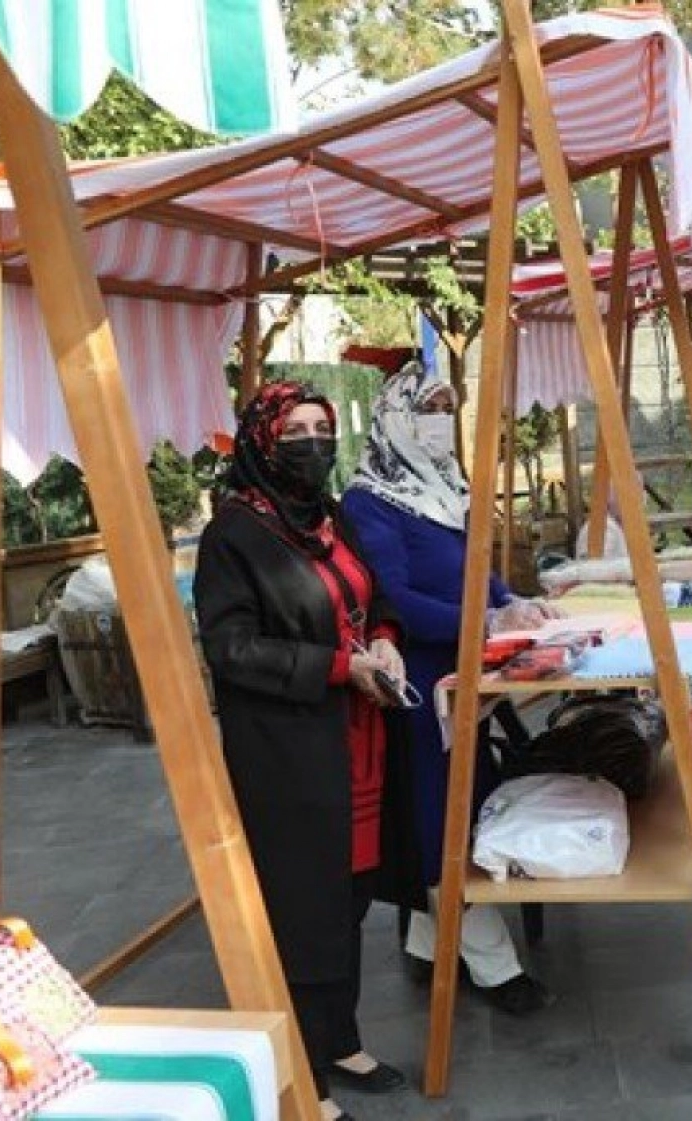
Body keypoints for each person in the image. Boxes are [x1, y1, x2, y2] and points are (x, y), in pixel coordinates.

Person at [196, 382, 409, 1121]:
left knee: (348, 897)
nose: (314, 442)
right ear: (262, 438)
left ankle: (340, 1037)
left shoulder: (330, 515)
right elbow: (229, 648)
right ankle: (303, 1075)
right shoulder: (233, 532)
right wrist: (337, 667)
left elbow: (369, 595)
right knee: (301, 911)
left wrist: (383, 638)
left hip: (357, 741)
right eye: (297, 430)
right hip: (289, 753)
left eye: (324, 427)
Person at [340, 362, 555, 1017]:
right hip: (417, 680)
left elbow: (475, 568)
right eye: (428, 406)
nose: (440, 418)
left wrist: (510, 602)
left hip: (467, 666)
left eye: (446, 406)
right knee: (443, 815)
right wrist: (484, 620)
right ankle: (493, 964)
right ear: (396, 415)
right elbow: (393, 595)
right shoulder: (369, 498)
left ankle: (431, 942)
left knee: (470, 798)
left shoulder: (443, 482)